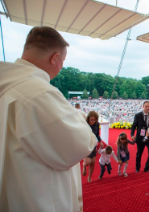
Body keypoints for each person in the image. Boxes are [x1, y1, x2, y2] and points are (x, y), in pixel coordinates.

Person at [0, 26, 97, 212]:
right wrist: (78, 116)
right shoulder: (38, 93)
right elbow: (80, 144)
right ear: (55, 58)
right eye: (63, 61)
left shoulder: (8, 83)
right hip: (37, 198)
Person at [131, 101, 149, 172]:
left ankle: (147, 167)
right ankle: (137, 167)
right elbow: (133, 126)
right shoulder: (138, 115)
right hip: (140, 138)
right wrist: (132, 135)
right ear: (143, 107)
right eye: (146, 106)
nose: (147, 108)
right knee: (139, 154)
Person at [83, 111, 103, 182]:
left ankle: (89, 177)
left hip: (93, 144)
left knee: (93, 162)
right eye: (92, 119)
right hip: (86, 145)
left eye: (95, 120)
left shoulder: (97, 124)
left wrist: (100, 142)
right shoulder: (84, 124)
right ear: (88, 118)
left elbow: (97, 134)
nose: (93, 121)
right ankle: (84, 166)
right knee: (88, 161)